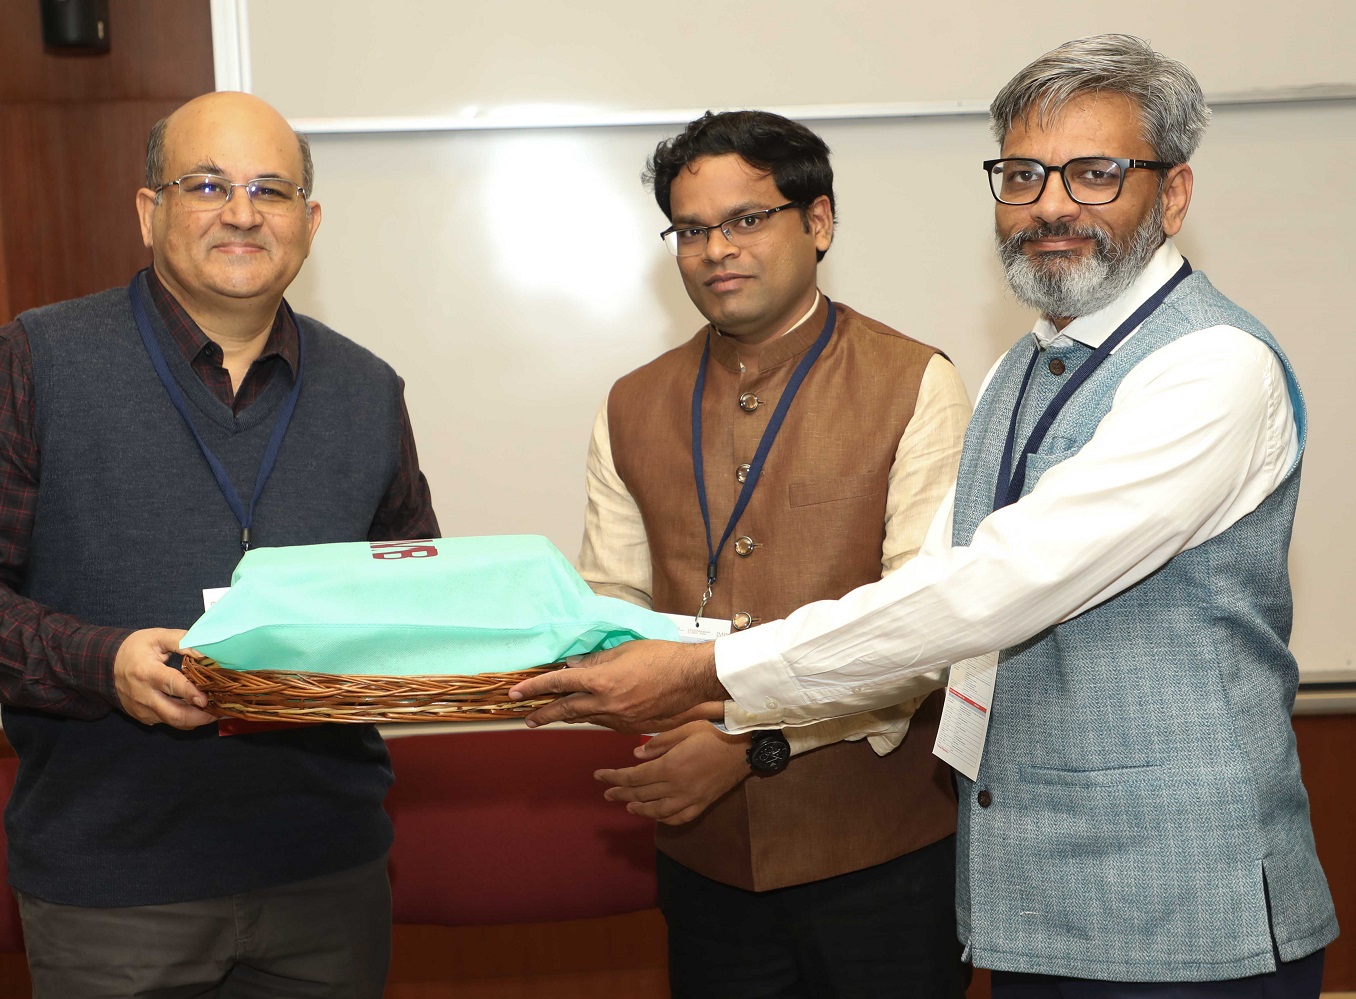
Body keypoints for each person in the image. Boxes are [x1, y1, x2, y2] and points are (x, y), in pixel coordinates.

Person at [515, 34, 1339, 996]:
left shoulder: (1211, 367)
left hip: (1190, 913)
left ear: (1174, 193)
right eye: (1023, 175)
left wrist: (715, 680)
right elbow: (929, 593)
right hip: (1040, 904)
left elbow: (988, 590)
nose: (1052, 205)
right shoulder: (1023, 368)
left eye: (1096, 174)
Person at [0, 92, 436, 998]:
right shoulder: (34, 360)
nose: (240, 212)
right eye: (207, 184)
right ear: (149, 211)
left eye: (270, 189)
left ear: (309, 222)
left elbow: (410, 585)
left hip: (327, 877)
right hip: (113, 890)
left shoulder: (367, 389)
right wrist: (100, 662)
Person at [576, 110, 971, 997]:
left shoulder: (916, 382)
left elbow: (924, 626)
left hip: (881, 857)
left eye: (747, 219)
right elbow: (610, 603)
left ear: (818, 222)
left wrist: (748, 737)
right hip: (703, 858)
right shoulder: (631, 403)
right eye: (692, 229)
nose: (718, 249)